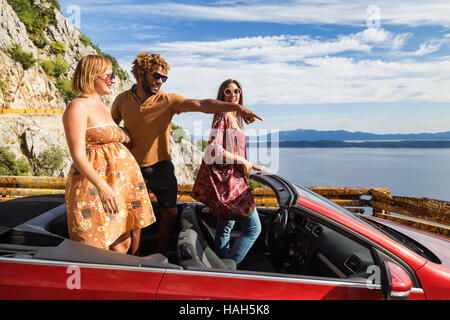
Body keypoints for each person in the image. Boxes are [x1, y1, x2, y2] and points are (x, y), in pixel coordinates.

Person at [111, 52, 262, 255]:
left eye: (164, 78)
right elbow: (111, 128)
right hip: (133, 168)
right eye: (156, 76)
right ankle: (135, 261)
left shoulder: (168, 100)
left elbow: (202, 105)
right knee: (136, 219)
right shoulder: (122, 100)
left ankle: (160, 257)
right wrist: (122, 134)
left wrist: (237, 107)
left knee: (170, 213)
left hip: (161, 166)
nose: (160, 81)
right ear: (140, 74)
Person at [63, 55, 156, 254]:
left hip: (115, 186)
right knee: (94, 248)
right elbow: (78, 155)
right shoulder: (77, 106)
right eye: (109, 75)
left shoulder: (104, 107)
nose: (113, 80)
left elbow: (104, 136)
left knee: (122, 244)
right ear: (91, 76)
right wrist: (103, 187)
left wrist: (123, 134)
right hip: (95, 188)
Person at [191, 79, 267, 267]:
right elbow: (213, 150)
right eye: (228, 91)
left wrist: (252, 165)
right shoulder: (222, 116)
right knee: (253, 229)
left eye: (236, 91)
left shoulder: (235, 120)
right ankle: (229, 268)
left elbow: (234, 152)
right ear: (221, 95)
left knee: (225, 228)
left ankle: (220, 269)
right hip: (231, 185)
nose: (233, 95)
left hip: (233, 181)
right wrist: (243, 162)